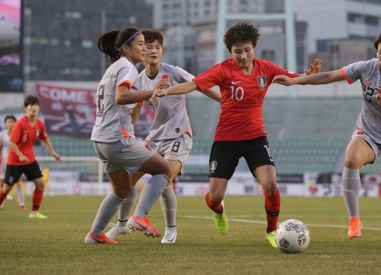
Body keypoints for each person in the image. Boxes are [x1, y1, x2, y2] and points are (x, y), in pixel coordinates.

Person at [154, 21, 321, 247]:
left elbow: (292, 80)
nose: (243, 55)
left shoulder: (266, 68)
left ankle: (272, 232)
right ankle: (219, 211)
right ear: (231, 51)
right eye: (237, 51)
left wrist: (306, 75)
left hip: (255, 137)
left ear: (254, 47)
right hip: (226, 139)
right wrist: (166, 91)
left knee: (270, 184)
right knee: (214, 198)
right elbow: (193, 86)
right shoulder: (223, 69)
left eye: (247, 49)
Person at [273, 26, 381, 239]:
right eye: (380, 52)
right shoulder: (366, 68)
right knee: (351, 159)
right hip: (368, 133)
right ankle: (354, 220)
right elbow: (329, 76)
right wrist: (296, 80)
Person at [106, 29, 221, 244]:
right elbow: (136, 110)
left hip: (179, 135)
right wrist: (128, 134)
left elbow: (201, 85)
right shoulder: (138, 79)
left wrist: (226, 102)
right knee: (128, 181)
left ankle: (165, 227)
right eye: (148, 46)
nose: (153, 50)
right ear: (141, 49)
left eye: (158, 47)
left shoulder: (174, 72)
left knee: (165, 176)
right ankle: (122, 224)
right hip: (155, 137)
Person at [85, 27, 172, 245]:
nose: (144, 49)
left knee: (122, 190)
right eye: (141, 44)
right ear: (126, 48)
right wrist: (151, 92)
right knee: (164, 169)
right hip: (116, 139)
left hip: (101, 139)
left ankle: (95, 234)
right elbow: (121, 97)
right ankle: (139, 217)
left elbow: (122, 102)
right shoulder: (128, 67)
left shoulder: (113, 68)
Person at [0, 96, 61, 219]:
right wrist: (20, 155)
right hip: (14, 161)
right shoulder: (20, 123)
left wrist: (52, 152)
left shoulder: (40, 124)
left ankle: (34, 212)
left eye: (35, 105)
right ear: (26, 108)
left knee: (40, 183)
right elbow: (12, 142)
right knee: (6, 188)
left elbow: (44, 138)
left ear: (38, 107)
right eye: (30, 105)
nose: (33, 107)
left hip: (30, 160)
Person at [0, 115, 26, 210]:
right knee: (2, 185)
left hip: (16, 163)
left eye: (12, 122)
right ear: (5, 123)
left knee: (19, 183)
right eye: (8, 122)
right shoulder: (2, 135)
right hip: (4, 164)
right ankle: (1, 204)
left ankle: (22, 204)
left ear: (15, 123)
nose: (10, 124)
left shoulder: (19, 134)